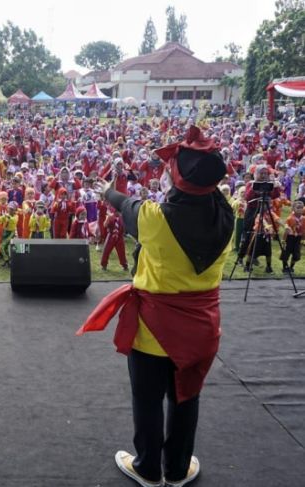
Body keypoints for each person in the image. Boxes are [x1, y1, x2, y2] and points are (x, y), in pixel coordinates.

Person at [78, 126, 234, 487]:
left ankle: (148, 468)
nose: (164, 173)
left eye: (170, 168)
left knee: (147, 399)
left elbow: (124, 203)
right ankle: (178, 469)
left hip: (153, 331)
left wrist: (105, 190)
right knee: (186, 395)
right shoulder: (228, 214)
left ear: (179, 177)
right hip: (201, 330)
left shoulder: (155, 220)